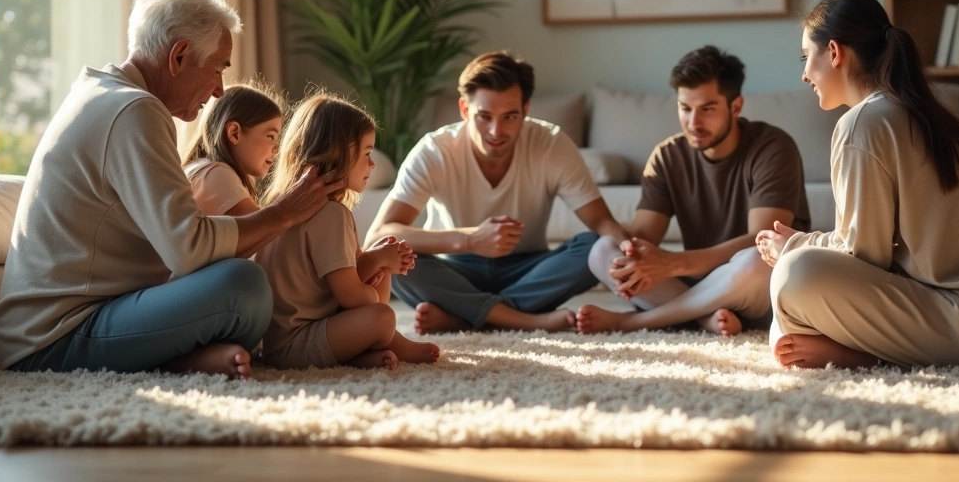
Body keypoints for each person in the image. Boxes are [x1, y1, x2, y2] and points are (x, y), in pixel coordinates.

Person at [0, 0, 341, 380]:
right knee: (244, 286)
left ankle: (177, 359)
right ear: (178, 56)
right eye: (217, 69)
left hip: (62, 325)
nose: (219, 90)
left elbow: (176, 244)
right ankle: (176, 358)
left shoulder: (100, 91)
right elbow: (188, 249)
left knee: (231, 279)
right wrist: (285, 213)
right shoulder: (133, 109)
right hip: (53, 340)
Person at [755, 0, 959, 369]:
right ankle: (865, 348)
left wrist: (794, 245)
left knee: (793, 275)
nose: (804, 74)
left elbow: (864, 255)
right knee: (789, 301)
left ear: (833, 52)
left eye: (806, 57)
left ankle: (862, 355)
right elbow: (881, 251)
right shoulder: (917, 111)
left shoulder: (863, 123)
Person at [367, 51, 628, 334]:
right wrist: (470, 240)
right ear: (464, 109)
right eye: (484, 116)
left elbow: (602, 223)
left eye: (509, 116)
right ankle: (524, 320)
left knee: (594, 246)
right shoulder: (435, 150)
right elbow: (379, 236)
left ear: (525, 110)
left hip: (528, 270)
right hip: (456, 269)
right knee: (393, 261)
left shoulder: (552, 144)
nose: (496, 131)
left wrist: (631, 250)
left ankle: (462, 319)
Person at [576, 46, 810, 335]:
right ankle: (705, 318)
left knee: (755, 259)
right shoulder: (667, 156)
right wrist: (630, 251)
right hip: (701, 283)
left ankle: (633, 322)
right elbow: (644, 236)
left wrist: (672, 264)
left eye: (707, 109)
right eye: (685, 108)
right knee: (602, 250)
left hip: (758, 287)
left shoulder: (773, 147)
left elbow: (762, 240)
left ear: (736, 107)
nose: (693, 123)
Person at [254, 92, 439, 369]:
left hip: (281, 341)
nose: (372, 164)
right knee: (382, 317)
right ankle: (394, 342)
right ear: (339, 154)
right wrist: (374, 279)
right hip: (295, 345)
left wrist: (376, 262)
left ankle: (360, 355)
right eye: (367, 153)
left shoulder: (285, 205)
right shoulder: (330, 214)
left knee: (379, 273)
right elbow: (350, 297)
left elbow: (326, 288)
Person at [183, 83, 285, 217]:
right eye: (271, 136)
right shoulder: (217, 175)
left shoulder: (202, 169)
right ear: (234, 133)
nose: (277, 149)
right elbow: (267, 228)